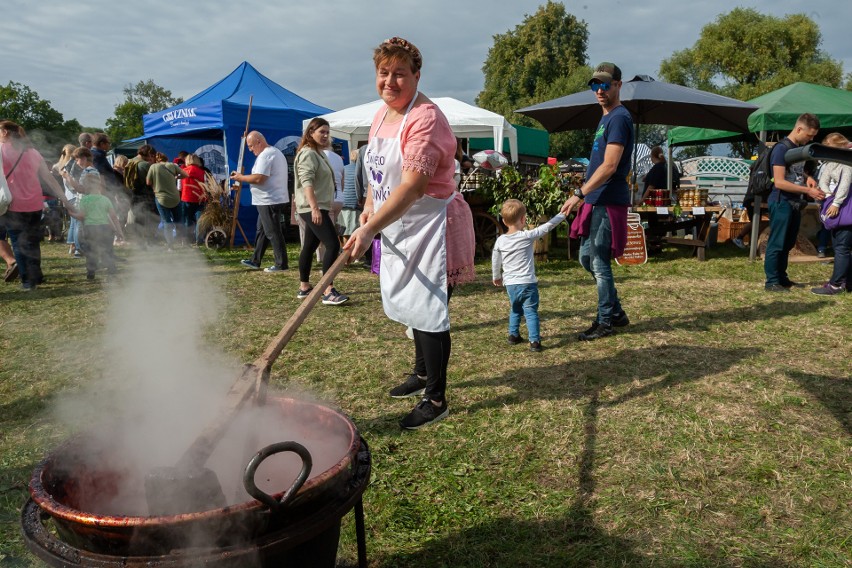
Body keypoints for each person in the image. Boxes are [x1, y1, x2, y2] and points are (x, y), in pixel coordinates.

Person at [344, 37, 475, 429]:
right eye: (383, 73)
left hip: (434, 225)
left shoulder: (426, 117)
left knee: (430, 310)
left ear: (417, 76)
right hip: (399, 224)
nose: (390, 81)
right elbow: (379, 174)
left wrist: (369, 229)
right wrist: (369, 209)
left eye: (400, 73)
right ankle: (420, 375)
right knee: (412, 306)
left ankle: (436, 399)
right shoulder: (382, 115)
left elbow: (414, 185)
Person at [559, 62, 633, 341]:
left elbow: (610, 165)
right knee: (586, 258)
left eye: (604, 84)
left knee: (599, 263)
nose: (599, 90)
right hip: (596, 199)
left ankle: (605, 321)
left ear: (618, 85)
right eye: (594, 85)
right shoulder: (606, 119)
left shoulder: (619, 118)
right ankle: (616, 312)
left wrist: (579, 194)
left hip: (608, 200)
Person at [0, 120, 80, 291]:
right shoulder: (34, 153)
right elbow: (49, 179)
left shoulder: (1, 149)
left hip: (14, 203)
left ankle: (28, 281)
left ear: (5, 132)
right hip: (35, 203)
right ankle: (37, 276)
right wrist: (65, 201)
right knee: (33, 241)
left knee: (19, 243)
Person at [492, 199, 565, 352]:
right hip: (527, 283)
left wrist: (496, 276)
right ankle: (534, 341)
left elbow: (495, 259)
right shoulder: (527, 236)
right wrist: (562, 214)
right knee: (531, 312)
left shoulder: (500, 241)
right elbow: (548, 226)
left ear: (504, 221)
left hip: (510, 285)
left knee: (515, 309)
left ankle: (513, 335)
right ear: (523, 219)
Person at [763, 113, 824, 292]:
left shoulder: (797, 148)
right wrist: (808, 191)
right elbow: (780, 181)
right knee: (777, 242)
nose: (811, 139)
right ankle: (772, 281)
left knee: (789, 242)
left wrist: (808, 178)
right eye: (810, 135)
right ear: (799, 129)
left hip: (794, 202)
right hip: (782, 201)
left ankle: (782, 278)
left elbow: (795, 172)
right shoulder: (781, 149)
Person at [293, 119, 349, 303]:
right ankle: (328, 290)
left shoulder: (318, 153)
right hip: (314, 207)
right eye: (321, 132)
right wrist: (315, 208)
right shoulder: (309, 153)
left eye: (327, 132)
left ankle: (304, 287)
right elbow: (306, 181)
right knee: (333, 245)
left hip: (319, 206)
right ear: (310, 133)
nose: (325, 136)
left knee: (309, 247)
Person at [231, 131, 290, 273]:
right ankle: (255, 260)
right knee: (262, 231)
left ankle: (281, 264)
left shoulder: (267, 154)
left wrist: (241, 178)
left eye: (251, 146)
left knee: (272, 232)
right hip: (267, 199)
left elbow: (259, 178)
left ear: (259, 142)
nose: (251, 150)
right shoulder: (272, 152)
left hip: (269, 200)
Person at [811, 133, 851, 295]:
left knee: (842, 248)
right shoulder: (833, 161)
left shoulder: (847, 159)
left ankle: (836, 284)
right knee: (841, 247)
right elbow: (824, 180)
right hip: (841, 206)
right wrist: (828, 196)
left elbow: (845, 183)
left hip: (845, 208)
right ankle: (846, 282)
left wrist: (835, 202)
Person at [77, 165, 124, 280]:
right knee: (108, 250)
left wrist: (72, 213)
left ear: (86, 186)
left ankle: (91, 273)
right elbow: (113, 217)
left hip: (90, 229)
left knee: (91, 251)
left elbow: (82, 216)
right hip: (105, 228)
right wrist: (119, 231)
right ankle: (111, 271)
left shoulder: (84, 200)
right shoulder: (105, 199)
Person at [147, 152, 187, 250]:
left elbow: (148, 182)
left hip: (161, 198)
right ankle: (183, 242)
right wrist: (176, 177)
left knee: (167, 222)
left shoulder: (153, 167)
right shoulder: (173, 165)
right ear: (166, 158)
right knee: (179, 221)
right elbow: (185, 175)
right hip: (175, 197)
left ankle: (170, 247)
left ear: (157, 160)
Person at [125, 144, 158, 246]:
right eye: (152, 155)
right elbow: (152, 181)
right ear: (149, 153)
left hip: (132, 194)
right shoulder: (144, 165)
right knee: (153, 218)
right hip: (146, 195)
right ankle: (150, 242)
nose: (152, 157)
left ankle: (139, 243)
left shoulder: (130, 161)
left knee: (138, 219)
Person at [180, 153, 207, 246]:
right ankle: (199, 241)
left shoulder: (183, 171)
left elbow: (179, 187)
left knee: (187, 220)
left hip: (186, 198)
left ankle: (186, 240)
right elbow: (206, 186)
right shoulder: (202, 172)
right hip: (200, 199)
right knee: (199, 221)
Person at [340, 149, 363, 247]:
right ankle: (348, 254)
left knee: (343, 230)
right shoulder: (361, 171)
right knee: (350, 231)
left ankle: (343, 252)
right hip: (353, 204)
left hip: (342, 202)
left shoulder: (344, 168)